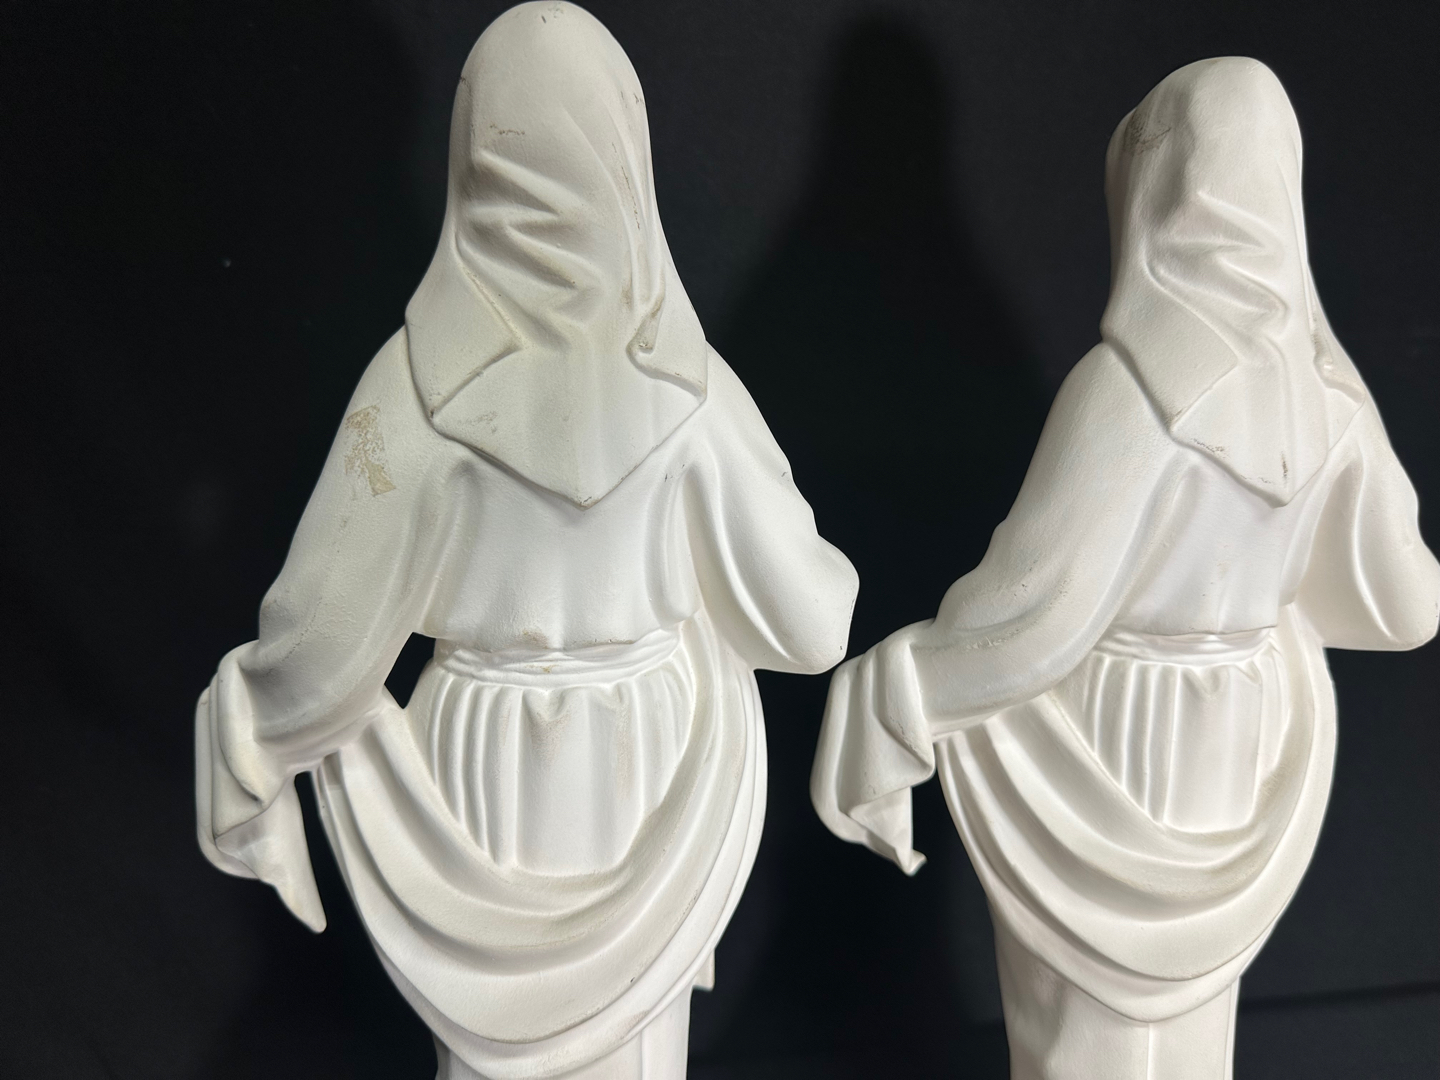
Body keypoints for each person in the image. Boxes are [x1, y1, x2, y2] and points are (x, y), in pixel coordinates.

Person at [195, 5, 858, 1078]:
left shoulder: (413, 387)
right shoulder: (692, 391)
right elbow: (812, 624)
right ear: (624, 154)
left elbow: (320, 644)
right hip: (652, 766)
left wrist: (247, 713)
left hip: (479, 768)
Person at [812, 57, 1438, 1080]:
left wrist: (900, 684)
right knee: (1187, 1030)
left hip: (1110, 749)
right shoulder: (1329, 401)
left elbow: (1037, 608)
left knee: (1086, 1028)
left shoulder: (1134, 387)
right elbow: (1407, 603)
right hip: (1238, 737)